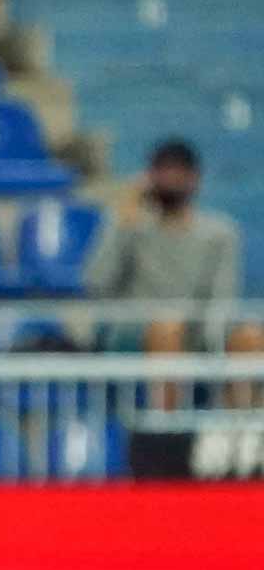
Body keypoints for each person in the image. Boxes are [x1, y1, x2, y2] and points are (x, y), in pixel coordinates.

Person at [84, 138, 262, 409]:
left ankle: (243, 433)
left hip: (199, 331)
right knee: (167, 327)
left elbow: (222, 298)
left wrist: (213, 339)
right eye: (164, 171)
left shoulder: (220, 233)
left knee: (251, 336)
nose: (171, 179)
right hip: (135, 333)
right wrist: (121, 219)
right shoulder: (131, 227)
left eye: (179, 172)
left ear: (195, 178)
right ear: (149, 177)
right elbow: (96, 282)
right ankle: (168, 430)